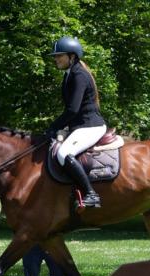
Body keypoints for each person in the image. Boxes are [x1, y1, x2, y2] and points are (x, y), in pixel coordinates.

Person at [46, 36, 107, 208]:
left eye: (60, 56)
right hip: (81, 126)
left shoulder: (79, 75)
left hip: (90, 126)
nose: (56, 59)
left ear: (72, 57)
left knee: (63, 154)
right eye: (55, 56)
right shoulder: (70, 74)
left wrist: (54, 127)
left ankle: (91, 194)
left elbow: (72, 109)